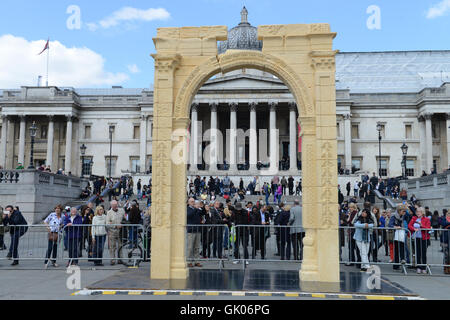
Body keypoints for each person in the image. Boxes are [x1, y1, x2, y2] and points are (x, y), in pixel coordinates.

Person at [408, 207, 431, 274]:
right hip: (416, 238)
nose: (418, 213)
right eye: (417, 211)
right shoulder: (414, 218)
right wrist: (413, 229)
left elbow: (428, 228)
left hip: (424, 238)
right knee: (417, 253)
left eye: (420, 212)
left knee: (423, 253)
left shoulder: (426, 219)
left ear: (423, 213)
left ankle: (423, 267)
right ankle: (418, 267)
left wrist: (421, 225)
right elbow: (409, 226)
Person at [389, 205, 409, 270]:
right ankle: (396, 265)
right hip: (395, 234)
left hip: (402, 233)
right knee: (396, 249)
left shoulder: (404, 216)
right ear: (399, 211)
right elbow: (390, 224)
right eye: (403, 211)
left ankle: (402, 259)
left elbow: (410, 215)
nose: (404, 212)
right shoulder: (393, 216)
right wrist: (396, 227)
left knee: (402, 247)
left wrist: (408, 207)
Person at [106, 200, 125, 265]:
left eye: (116, 205)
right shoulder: (109, 213)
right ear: (111, 206)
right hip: (112, 231)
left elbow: (125, 219)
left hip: (120, 232)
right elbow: (107, 224)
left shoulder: (121, 211)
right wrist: (115, 225)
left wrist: (123, 223)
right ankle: (112, 260)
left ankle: (120, 259)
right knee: (112, 246)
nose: (115, 206)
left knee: (120, 246)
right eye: (114, 206)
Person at [187, 198, 202, 267]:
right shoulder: (188, 209)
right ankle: (189, 261)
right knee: (190, 247)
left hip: (197, 230)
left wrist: (200, 207)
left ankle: (197, 261)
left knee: (197, 247)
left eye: (194, 201)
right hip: (191, 230)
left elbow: (201, 214)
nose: (193, 203)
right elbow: (189, 215)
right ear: (189, 203)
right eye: (192, 202)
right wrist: (196, 209)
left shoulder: (197, 209)